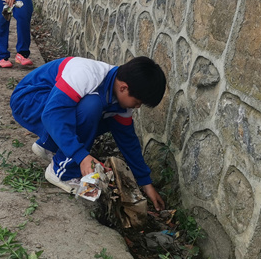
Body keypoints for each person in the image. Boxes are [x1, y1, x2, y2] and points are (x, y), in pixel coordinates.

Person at [10, 55, 166, 210]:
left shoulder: (119, 99)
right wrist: (81, 156)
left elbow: (128, 141)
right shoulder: (87, 74)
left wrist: (145, 182)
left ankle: (48, 146)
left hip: (49, 107)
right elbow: (52, 115)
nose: (137, 107)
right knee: (91, 106)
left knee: (106, 118)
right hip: (28, 101)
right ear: (123, 88)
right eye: (137, 102)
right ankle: (61, 173)